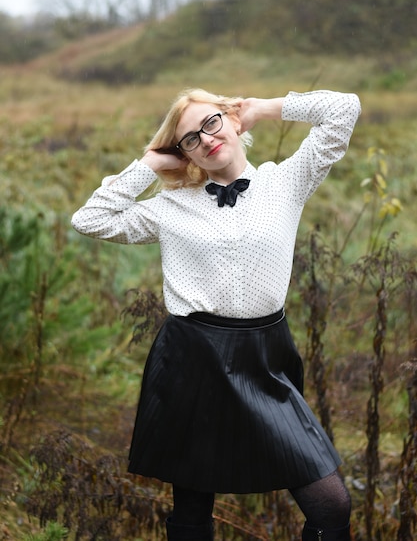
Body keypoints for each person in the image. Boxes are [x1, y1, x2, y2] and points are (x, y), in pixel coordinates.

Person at [71, 87, 361, 541]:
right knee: (192, 504)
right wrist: (149, 165)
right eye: (189, 139)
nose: (205, 139)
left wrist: (263, 109)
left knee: (330, 503)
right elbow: (91, 218)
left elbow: (344, 109)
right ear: (181, 151)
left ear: (230, 120)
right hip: (193, 359)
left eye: (211, 123)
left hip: (265, 358)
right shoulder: (171, 207)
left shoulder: (285, 182)